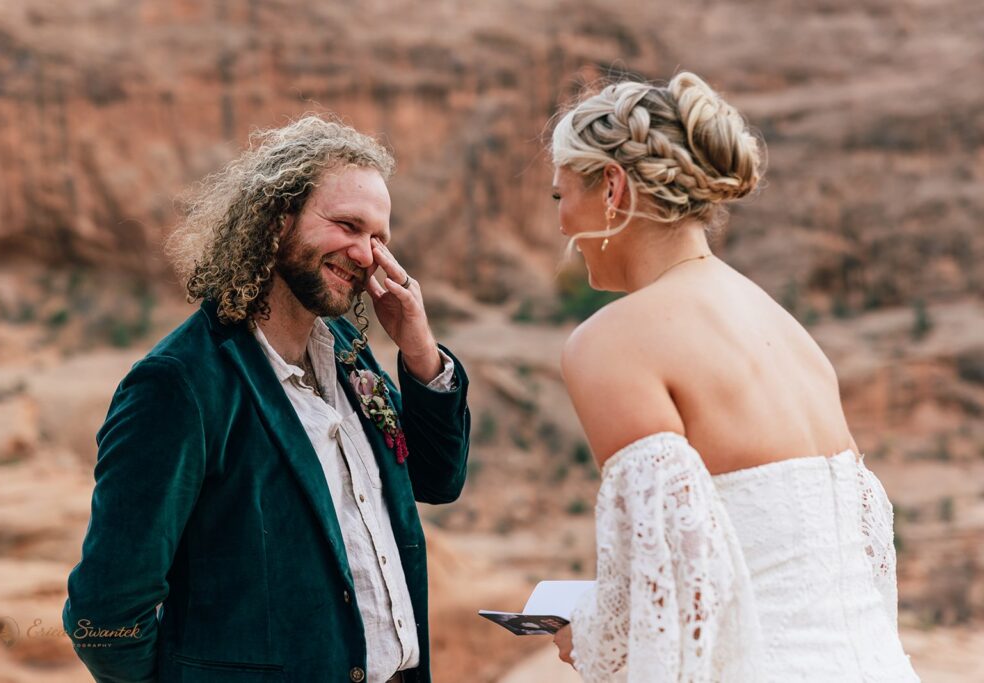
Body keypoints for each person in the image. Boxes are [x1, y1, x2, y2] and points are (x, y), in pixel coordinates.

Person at [62, 116, 471, 683]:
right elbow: (103, 613)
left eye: (379, 238)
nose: (366, 254)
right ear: (277, 221)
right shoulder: (181, 383)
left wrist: (420, 349)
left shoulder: (349, 352)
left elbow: (438, 479)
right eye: (347, 226)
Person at [547, 73, 919, 681]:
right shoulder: (794, 338)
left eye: (559, 196)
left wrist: (583, 634)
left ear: (611, 187)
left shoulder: (610, 343)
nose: (562, 224)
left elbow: (657, 598)